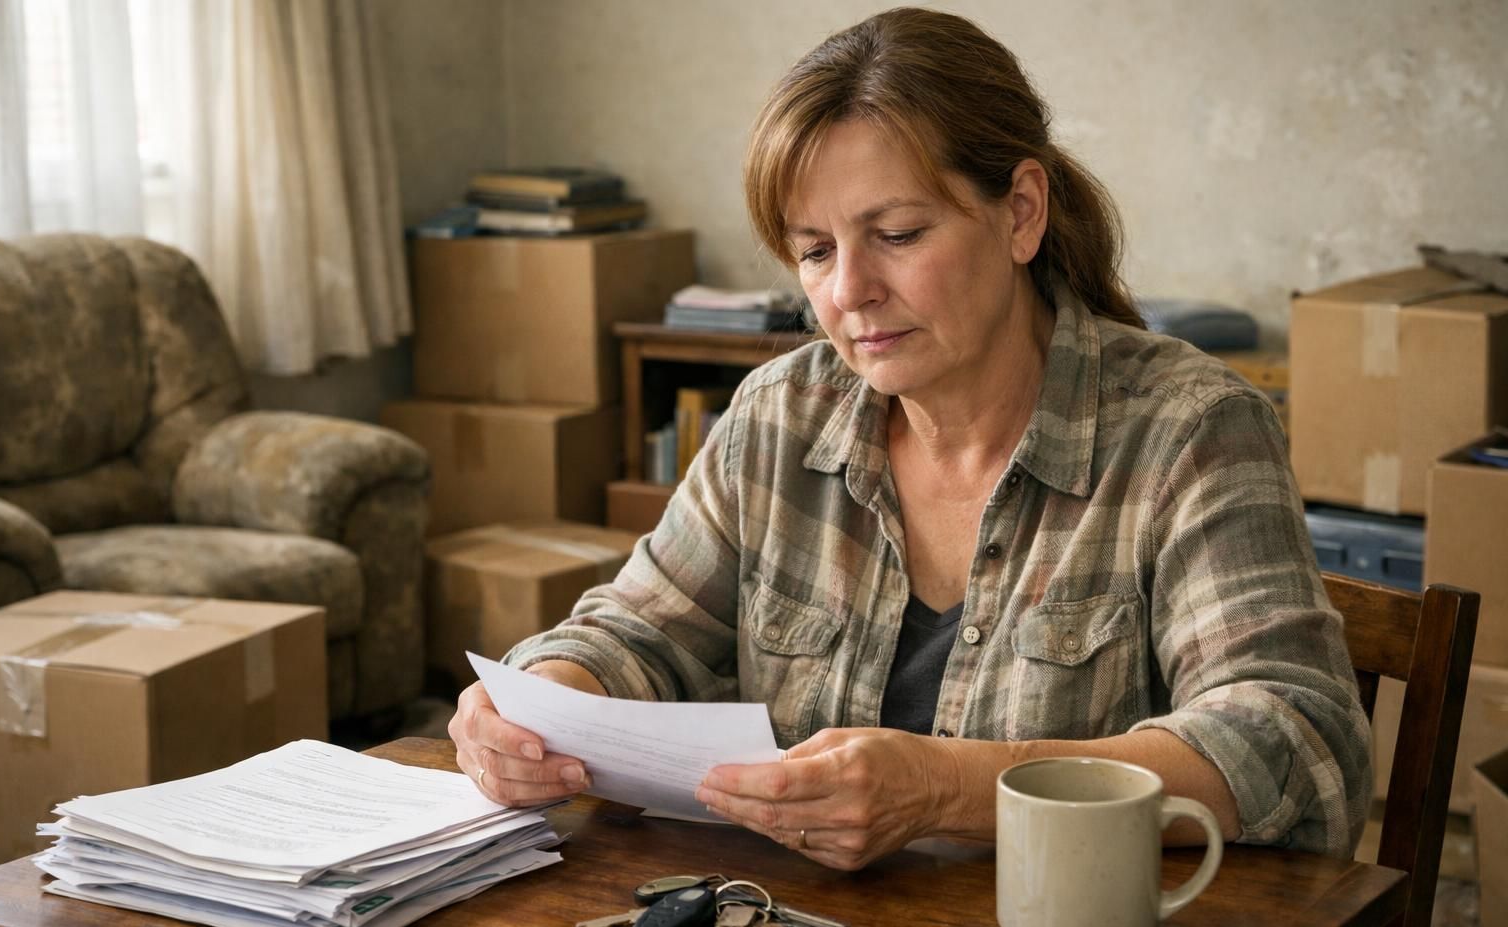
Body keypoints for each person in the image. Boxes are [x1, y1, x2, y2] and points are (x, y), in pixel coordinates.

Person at [448, 6, 1371, 873]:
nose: (849, 291)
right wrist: (533, 708)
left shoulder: (1191, 432)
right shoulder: (777, 416)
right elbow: (638, 633)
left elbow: (1292, 737)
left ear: (1020, 213)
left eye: (895, 234)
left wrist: (946, 789)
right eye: (815, 251)